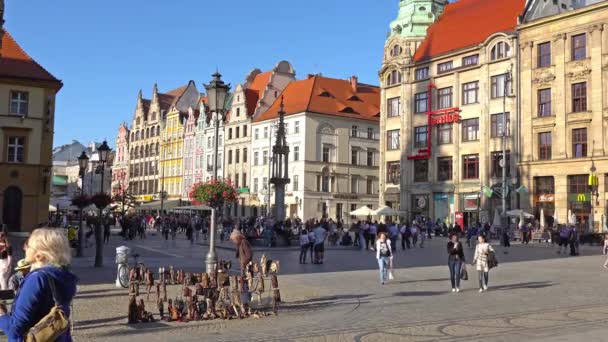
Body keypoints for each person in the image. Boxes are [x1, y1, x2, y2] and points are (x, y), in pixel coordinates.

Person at [0, 228, 78, 341]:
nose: (25, 247)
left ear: (39, 255)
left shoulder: (37, 279)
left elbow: (15, 330)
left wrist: (1, 314)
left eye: (29, 245)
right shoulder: (64, 276)